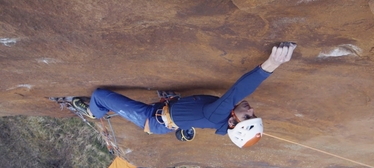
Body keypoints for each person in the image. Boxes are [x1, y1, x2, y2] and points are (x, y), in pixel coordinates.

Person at [72, 42, 297, 148]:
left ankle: (92, 111)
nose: (251, 110)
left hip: (151, 118)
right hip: (174, 111)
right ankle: (184, 127)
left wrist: (270, 65)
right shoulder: (221, 119)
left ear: (231, 121)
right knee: (189, 114)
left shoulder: (218, 114)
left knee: (100, 95)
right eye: (253, 114)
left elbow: (238, 90)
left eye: (247, 116)